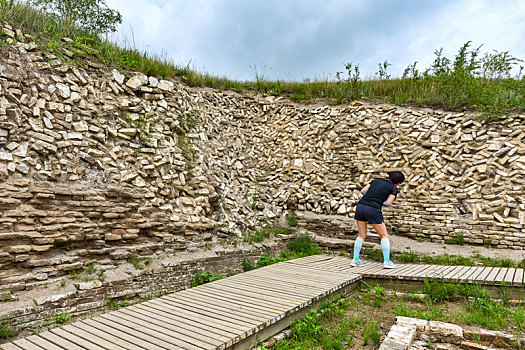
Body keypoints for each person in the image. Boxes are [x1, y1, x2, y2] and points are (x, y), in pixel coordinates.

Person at [351, 171, 405, 269]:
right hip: (373, 208)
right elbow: (388, 203)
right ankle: (387, 261)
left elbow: (363, 191)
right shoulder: (393, 188)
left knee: (361, 235)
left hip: (361, 206)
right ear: (398, 183)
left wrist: (372, 195)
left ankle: (355, 259)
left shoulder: (375, 181)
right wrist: (380, 200)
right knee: (384, 235)